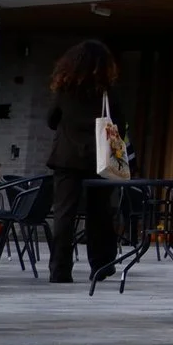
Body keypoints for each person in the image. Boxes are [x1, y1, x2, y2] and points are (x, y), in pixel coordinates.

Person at [43, 38, 120, 284]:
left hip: (66, 158)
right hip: (100, 159)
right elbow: (119, 122)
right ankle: (101, 265)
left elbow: (51, 120)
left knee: (64, 214)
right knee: (101, 213)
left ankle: (60, 269)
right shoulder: (107, 93)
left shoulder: (64, 92)